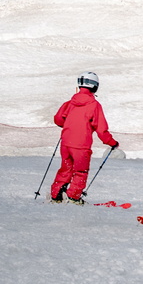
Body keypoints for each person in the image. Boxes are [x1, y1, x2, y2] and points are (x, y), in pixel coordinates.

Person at [50, 72, 118, 205]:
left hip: (66, 143)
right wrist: (111, 142)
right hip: (81, 145)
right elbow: (101, 129)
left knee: (66, 168)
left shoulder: (70, 103)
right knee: (80, 171)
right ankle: (73, 197)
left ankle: (56, 195)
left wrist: (70, 125)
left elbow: (58, 119)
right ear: (95, 86)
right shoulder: (94, 105)